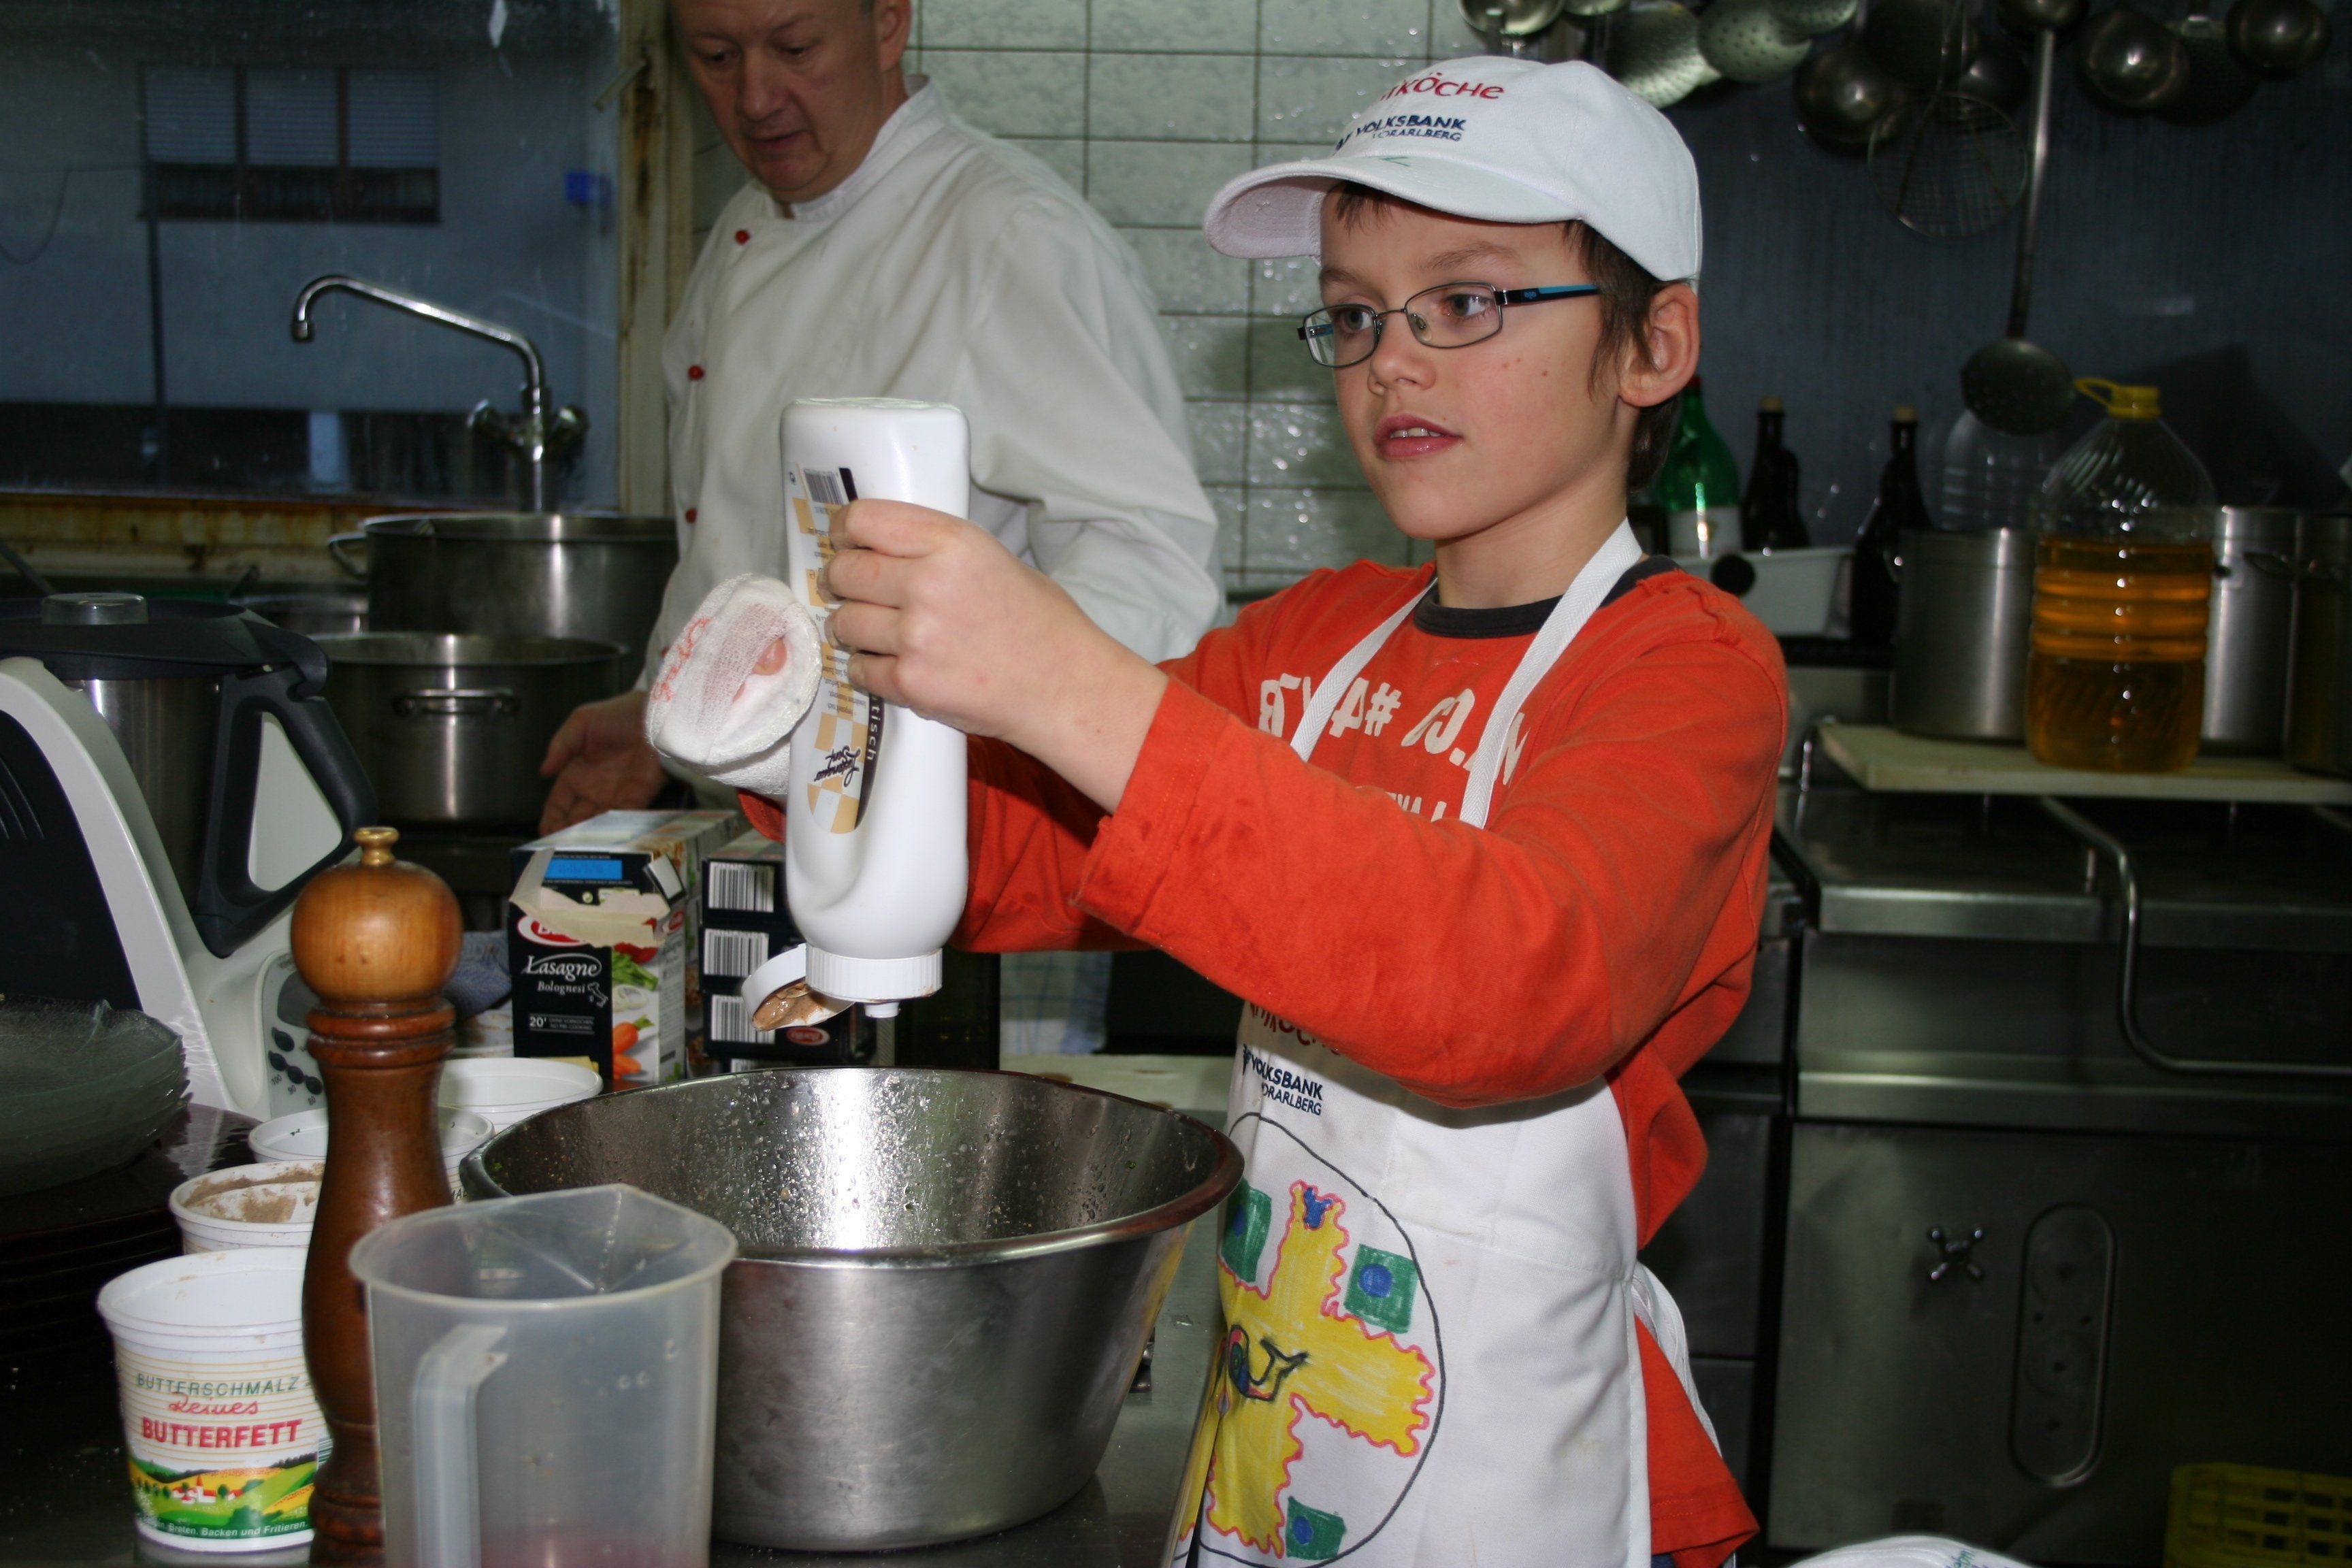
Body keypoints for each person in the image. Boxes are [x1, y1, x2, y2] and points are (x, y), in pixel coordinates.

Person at [725, 56, 1781, 1567]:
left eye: (1467, 301)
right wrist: (801, 733)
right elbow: (1012, 858)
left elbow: (1509, 983)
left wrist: (1069, 679)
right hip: (1281, 1440)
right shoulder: (1312, 646)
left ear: (1652, 344)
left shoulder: (1685, 670)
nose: (1393, 362)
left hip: (1531, 1479)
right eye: (1355, 314)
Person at [536, 0, 1221, 838]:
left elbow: (1153, 572)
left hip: (934, 829)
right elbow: (741, 538)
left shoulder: (1010, 237)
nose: (755, 98)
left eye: (795, 48)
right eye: (716, 57)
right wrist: (668, 717)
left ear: (889, 23)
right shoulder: (748, 225)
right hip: (770, 823)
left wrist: (947, 747)